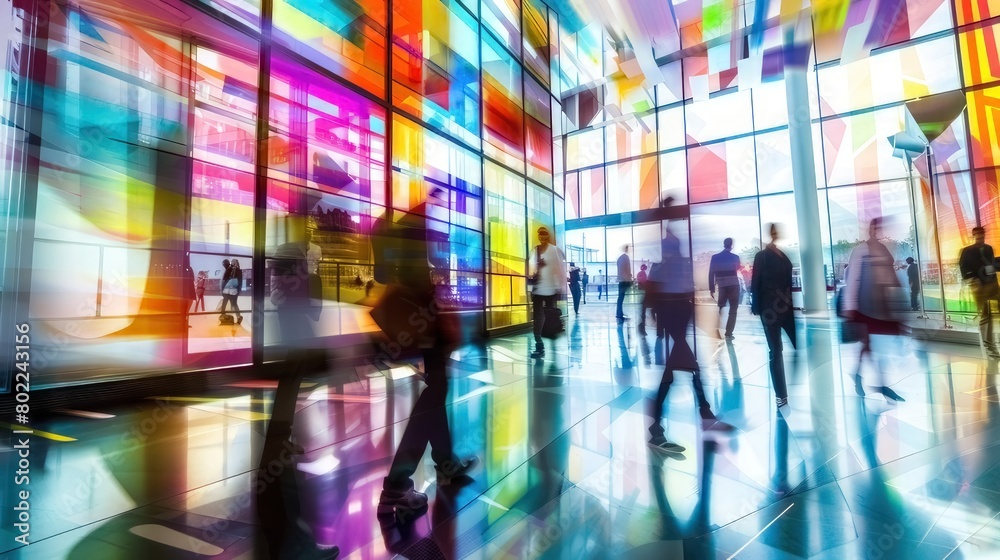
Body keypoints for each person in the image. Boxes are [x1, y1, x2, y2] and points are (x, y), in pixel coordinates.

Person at [372, 192, 478, 522]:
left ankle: (445, 463)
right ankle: (396, 486)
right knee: (433, 396)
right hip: (421, 315)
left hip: (420, 314)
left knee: (437, 390)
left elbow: (382, 271)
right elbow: (403, 273)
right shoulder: (413, 224)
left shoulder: (400, 225)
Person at [647, 232, 732, 452]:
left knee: (675, 375)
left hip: (679, 329)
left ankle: (660, 427)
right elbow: (653, 296)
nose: (670, 250)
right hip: (674, 330)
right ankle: (702, 416)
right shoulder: (663, 268)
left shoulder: (677, 266)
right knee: (687, 372)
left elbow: (688, 296)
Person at [841, 217, 907, 401]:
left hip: (881, 305)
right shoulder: (861, 250)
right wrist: (850, 307)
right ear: (870, 230)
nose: (877, 231)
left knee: (870, 346)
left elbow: (889, 275)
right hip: (865, 305)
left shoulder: (883, 249)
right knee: (872, 346)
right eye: (874, 228)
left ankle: (862, 376)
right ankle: (878, 383)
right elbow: (853, 279)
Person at [750, 223, 795, 408]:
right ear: (770, 234)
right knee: (776, 351)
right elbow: (755, 282)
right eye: (774, 231)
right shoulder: (762, 256)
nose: (777, 234)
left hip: (785, 308)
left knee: (786, 348)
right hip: (770, 310)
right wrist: (757, 306)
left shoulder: (782, 255)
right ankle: (781, 394)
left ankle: (783, 391)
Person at [959, 226, 1000, 358]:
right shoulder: (967, 251)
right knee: (985, 315)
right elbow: (964, 267)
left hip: (992, 284)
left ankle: (991, 345)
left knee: (993, 313)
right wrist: (972, 279)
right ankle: (989, 347)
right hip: (979, 286)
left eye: (981, 235)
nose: (979, 237)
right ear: (973, 235)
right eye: (977, 235)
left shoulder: (988, 249)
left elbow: (992, 264)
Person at [528, 226, 567, 359]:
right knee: (537, 319)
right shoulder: (536, 250)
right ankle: (539, 346)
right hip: (538, 289)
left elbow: (560, 269)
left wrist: (562, 287)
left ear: (548, 236)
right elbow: (530, 269)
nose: (542, 237)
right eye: (540, 235)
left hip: (551, 289)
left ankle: (553, 340)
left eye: (544, 234)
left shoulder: (554, 250)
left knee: (550, 317)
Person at [709, 238, 741, 340]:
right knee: (733, 309)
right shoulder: (735, 257)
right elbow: (737, 268)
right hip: (734, 285)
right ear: (731, 245)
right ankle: (728, 332)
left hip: (722, 285)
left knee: (721, 307)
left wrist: (711, 288)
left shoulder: (715, 257)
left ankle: (717, 328)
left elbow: (711, 273)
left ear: (724, 244)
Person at [220, 258, 244, 324]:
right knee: (234, 303)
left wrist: (222, 290)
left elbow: (224, 279)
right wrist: (239, 291)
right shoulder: (239, 270)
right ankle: (238, 316)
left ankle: (223, 315)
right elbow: (240, 282)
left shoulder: (229, 269)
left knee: (225, 302)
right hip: (234, 291)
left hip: (227, 290)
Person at [616, 246, 632, 320]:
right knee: (622, 297)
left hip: (621, 280)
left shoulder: (620, 258)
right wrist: (629, 277)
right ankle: (619, 313)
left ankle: (619, 313)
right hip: (625, 280)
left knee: (620, 297)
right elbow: (626, 270)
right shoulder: (626, 258)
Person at [636, 264, 649, 335]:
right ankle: (641, 326)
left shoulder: (641, 274)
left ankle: (641, 325)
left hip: (642, 289)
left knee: (642, 309)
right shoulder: (643, 274)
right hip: (642, 289)